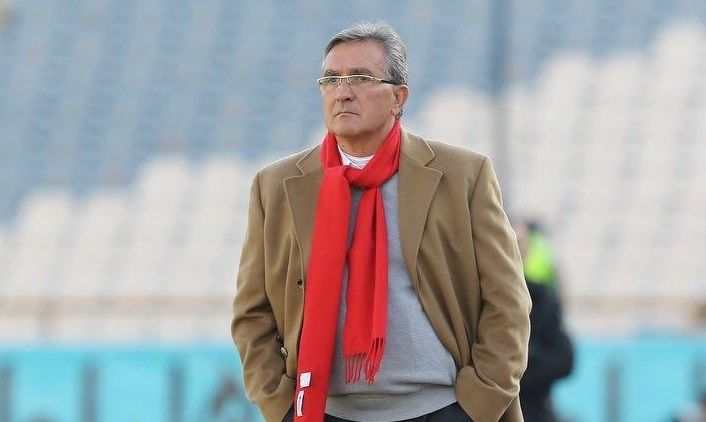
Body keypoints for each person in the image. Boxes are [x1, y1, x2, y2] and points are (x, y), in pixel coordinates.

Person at [231, 21, 531, 422]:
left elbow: (507, 301)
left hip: (439, 408)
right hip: (323, 412)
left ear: (398, 97)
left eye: (360, 78)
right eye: (331, 79)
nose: (343, 92)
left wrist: (480, 402)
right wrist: (278, 403)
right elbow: (252, 312)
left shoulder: (463, 175)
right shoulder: (275, 186)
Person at [514, 221, 574, 422]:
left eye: (520, 244)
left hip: (534, 411)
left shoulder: (541, 299)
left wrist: (517, 372)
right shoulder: (475, 299)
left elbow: (564, 359)